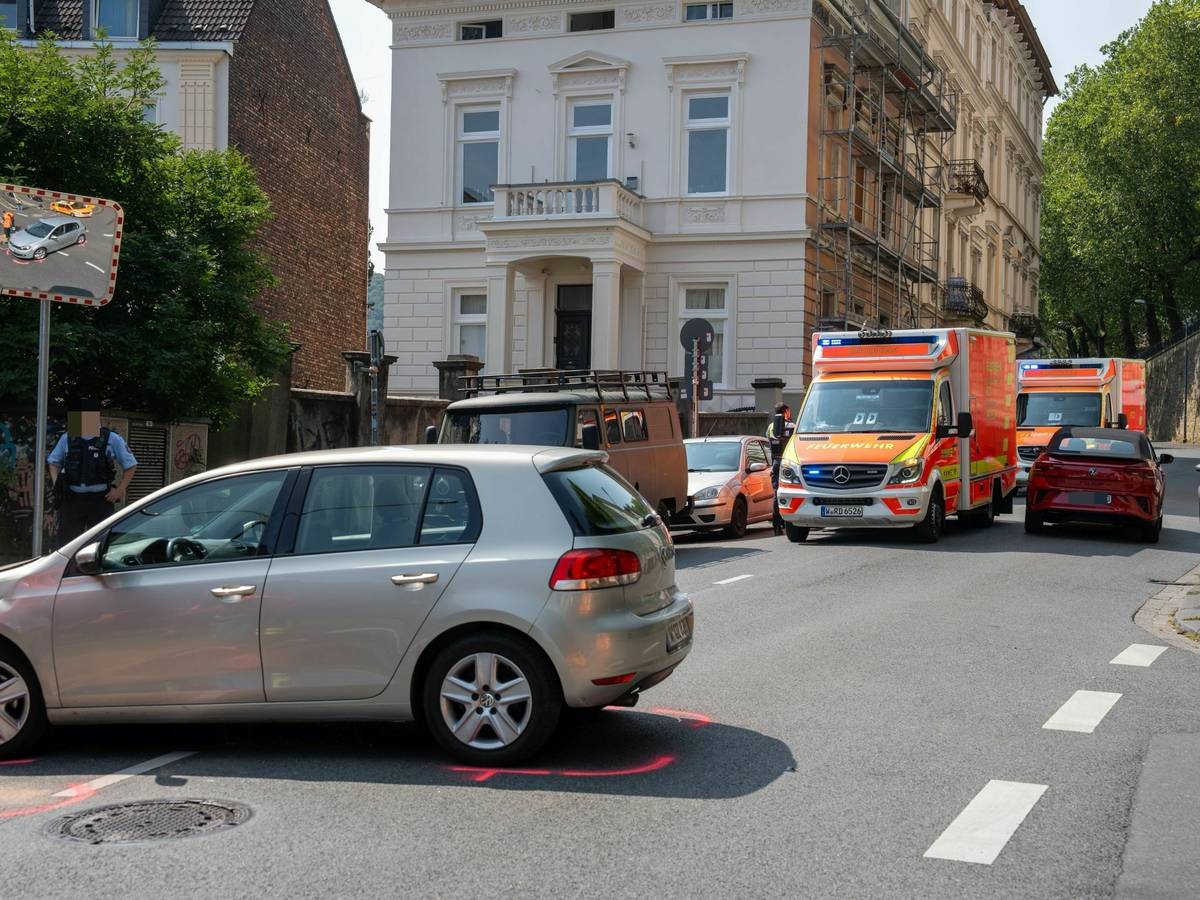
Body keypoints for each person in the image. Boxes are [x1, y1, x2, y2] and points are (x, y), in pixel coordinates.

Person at [47, 398, 138, 546]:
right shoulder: (67, 438)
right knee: (67, 545)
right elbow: (53, 462)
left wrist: (120, 490)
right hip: (72, 500)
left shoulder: (112, 439)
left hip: (100, 502)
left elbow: (131, 465)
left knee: (99, 545)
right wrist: (58, 484)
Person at [766, 403, 795, 536]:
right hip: (789, 462)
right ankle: (790, 522)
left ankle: (776, 526)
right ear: (786, 412)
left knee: (776, 493)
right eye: (789, 411)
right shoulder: (792, 426)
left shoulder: (770, 427)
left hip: (776, 462)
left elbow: (769, 442)